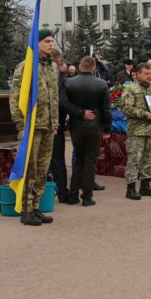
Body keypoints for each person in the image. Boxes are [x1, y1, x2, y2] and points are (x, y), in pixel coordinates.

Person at [10, 29, 59, 226]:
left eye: (51, 41)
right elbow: (16, 96)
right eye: (47, 41)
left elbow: (54, 96)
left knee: (43, 168)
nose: (51, 44)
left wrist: (55, 123)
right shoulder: (26, 66)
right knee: (30, 168)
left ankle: (36, 206)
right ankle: (26, 209)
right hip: (32, 125)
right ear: (36, 43)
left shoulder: (53, 67)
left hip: (48, 125)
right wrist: (20, 124)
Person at [65, 56, 112, 206]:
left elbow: (65, 104)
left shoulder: (69, 82)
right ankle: (87, 197)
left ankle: (73, 195)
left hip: (76, 125)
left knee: (78, 159)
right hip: (95, 125)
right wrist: (107, 128)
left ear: (80, 67)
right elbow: (106, 109)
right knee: (90, 160)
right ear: (94, 68)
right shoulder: (102, 84)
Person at [120, 62, 151, 200]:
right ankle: (131, 188)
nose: (148, 76)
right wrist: (144, 114)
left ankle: (145, 186)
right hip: (136, 131)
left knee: (150, 159)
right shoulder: (131, 89)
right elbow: (126, 108)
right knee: (134, 160)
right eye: (145, 74)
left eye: (150, 73)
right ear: (137, 74)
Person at [50, 49, 87, 204]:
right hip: (55, 124)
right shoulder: (60, 79)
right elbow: (63, 102)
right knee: (57, 160)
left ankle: (46, 192)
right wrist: (80, 112)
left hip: (43, 123)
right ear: (57, 61)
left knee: (47, 160)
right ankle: (62, 193)